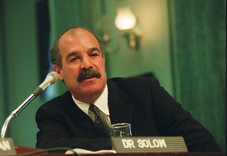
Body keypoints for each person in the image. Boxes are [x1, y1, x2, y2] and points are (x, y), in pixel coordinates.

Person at [35, 26, 222, 152]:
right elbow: (50, 148)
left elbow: (201, 142)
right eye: (74, 58)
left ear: (103, 61)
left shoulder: (146, 92)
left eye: (93, 54)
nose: (87, 64)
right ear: (59, 71)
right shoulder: (53, 113)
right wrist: (125, 147)